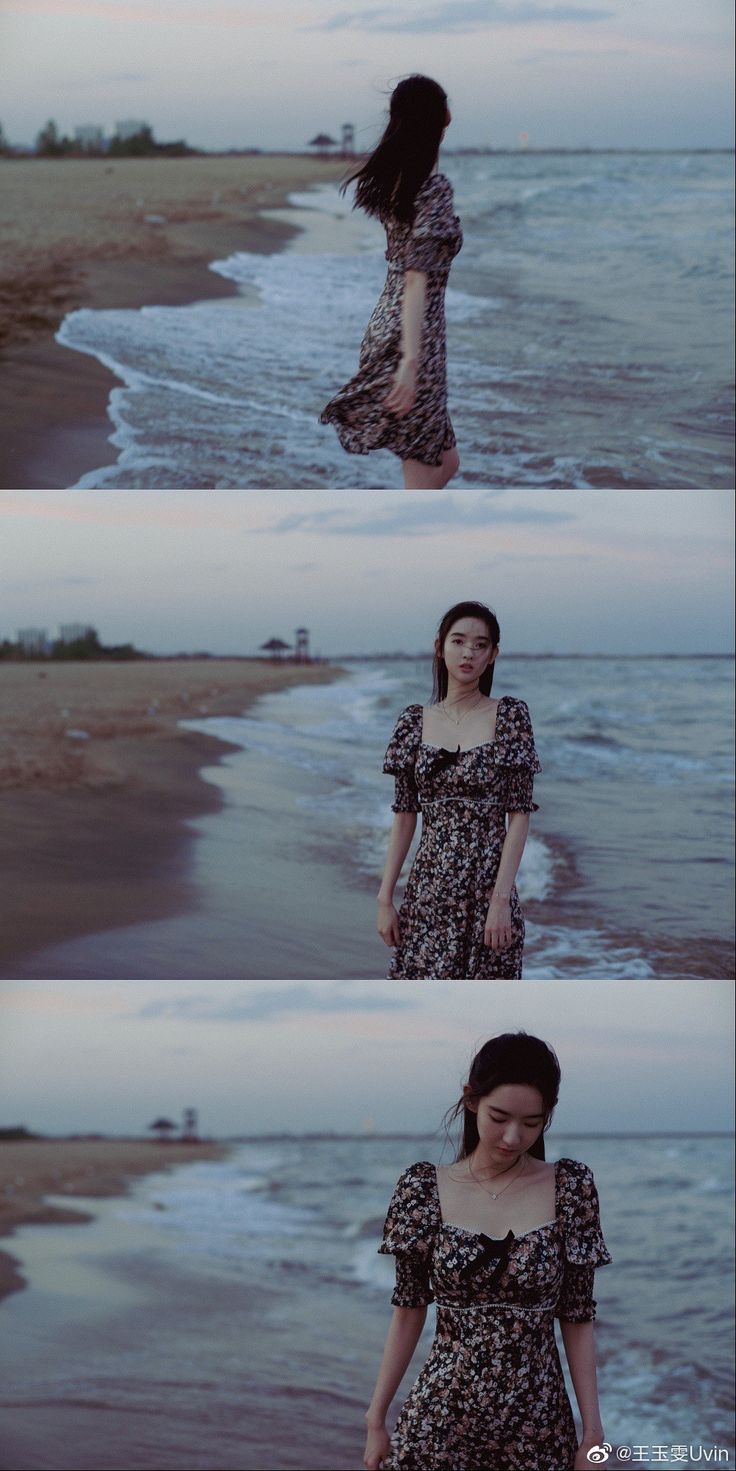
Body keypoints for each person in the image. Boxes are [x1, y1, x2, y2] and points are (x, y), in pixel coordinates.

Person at [364, 1032, 612, 1471]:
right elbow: (408, 1310)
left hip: (538, 1425)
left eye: (532, 1123)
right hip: (440, 1419)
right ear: (471, 1100)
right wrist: (376, 1419)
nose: (513, 1137)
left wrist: (593, 1433)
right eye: (499, 1117)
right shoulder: (423, 1188)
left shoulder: (571, 1187)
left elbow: (577, 1316)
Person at [378, 601, 540, 979]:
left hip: (487, 894)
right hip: (427, 894)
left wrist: (500, 901)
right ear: (440, 647)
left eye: (481, 645)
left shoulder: (510, 716)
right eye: (459, 641)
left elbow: (519, 815)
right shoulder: (413, 722)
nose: (469, 652)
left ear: (493, 655)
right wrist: (385, 898)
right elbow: (404, 817)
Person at [319, 75, 463, 490]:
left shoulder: (399, 182)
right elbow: (417, 278)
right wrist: (410, 362)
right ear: (444, 118)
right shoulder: (432, 189)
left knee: (445, 459)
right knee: (421, 472)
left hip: (388, 321)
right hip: (414, 335)